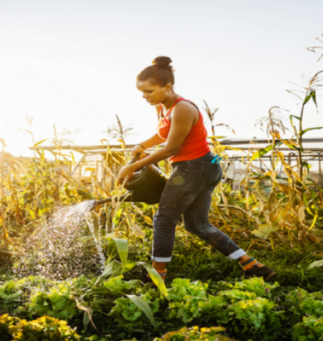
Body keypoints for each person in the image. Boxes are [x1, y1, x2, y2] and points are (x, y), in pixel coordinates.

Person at [117, 56, 275, 281]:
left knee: (164, 219)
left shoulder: (183, 108)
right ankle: (253, 266)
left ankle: (157, 276)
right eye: (142, 92)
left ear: (167, 86)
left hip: (194, 168)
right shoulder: (163, 108)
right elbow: (163, 134)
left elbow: (171, 147)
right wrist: (143, 145)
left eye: (149, 91)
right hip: (202, 168)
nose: (145, 96)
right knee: (197, 225)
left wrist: (131, 167)